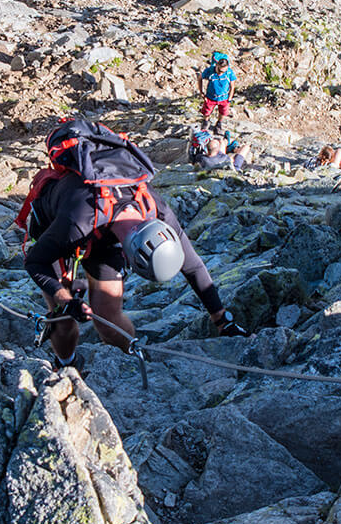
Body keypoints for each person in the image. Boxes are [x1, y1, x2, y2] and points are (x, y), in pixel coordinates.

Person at [21, 119, 250, 371]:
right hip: (57, 222)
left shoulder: (155, 209)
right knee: (62, 318)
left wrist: (222, 319)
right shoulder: (77, 220)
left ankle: (132, 359)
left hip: (105, 234)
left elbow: (193, 266)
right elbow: (35, 261)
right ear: (130, 258)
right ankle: (66, 366)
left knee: (108, 318)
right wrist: (66, 300)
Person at [196, 52, 237, 131]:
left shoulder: (229, 72)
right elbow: (200, 78)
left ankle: (219, 123)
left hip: (224, 98)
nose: (221, 73)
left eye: (223, 71)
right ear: (217, 65)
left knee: (223, 112)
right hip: (210, 97)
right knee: (206, 111)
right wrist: (201, 92)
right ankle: (205, 122)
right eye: (220, 70)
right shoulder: (210, 71)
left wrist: (230, 98)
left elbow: (232, 86)